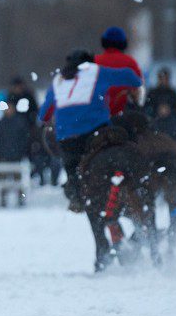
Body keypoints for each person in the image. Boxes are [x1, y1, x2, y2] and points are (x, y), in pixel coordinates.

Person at [39, 49, 142, 212]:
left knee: (73, 170)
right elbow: (132, 78)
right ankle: (130, 181)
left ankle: (76, 194)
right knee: (123, 142)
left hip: (67, 139)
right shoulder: (96, 71)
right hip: (95, 133)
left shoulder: (58, 80)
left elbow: (43, 114)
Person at [0, 102, 29, 208]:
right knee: (3, 181)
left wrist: (20, 152)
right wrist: (0, 152)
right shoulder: (0, 123)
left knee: (18, 180)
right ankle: (3, 200)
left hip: (16, 157)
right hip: (4, 157)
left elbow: (24, 139)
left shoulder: (19, 122)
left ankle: (20, 199)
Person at [94, 26, 143, 115]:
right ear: (124, 43)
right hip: (124, 114)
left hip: (98, 114)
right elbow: (138, 88)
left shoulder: (94, 61)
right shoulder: (130, 62)